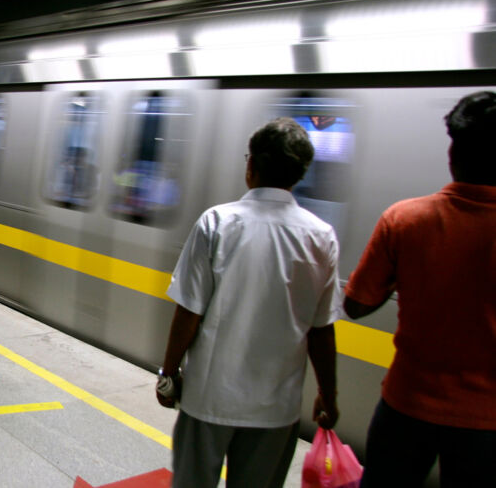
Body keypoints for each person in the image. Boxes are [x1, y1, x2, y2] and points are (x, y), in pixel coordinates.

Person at [156, 117, 341, 488]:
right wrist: (328, 394)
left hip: (209, 398)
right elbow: (321, 330)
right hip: (277, 407)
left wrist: (170, 373)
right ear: (298, 175)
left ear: (251, 165)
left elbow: (189, 310)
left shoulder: (217, 223)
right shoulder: (322, 237)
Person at [344, 92, 496, 488]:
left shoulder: (405, 220)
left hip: (406, 407)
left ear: (452, 153)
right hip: (487, 423)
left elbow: (356, 305)